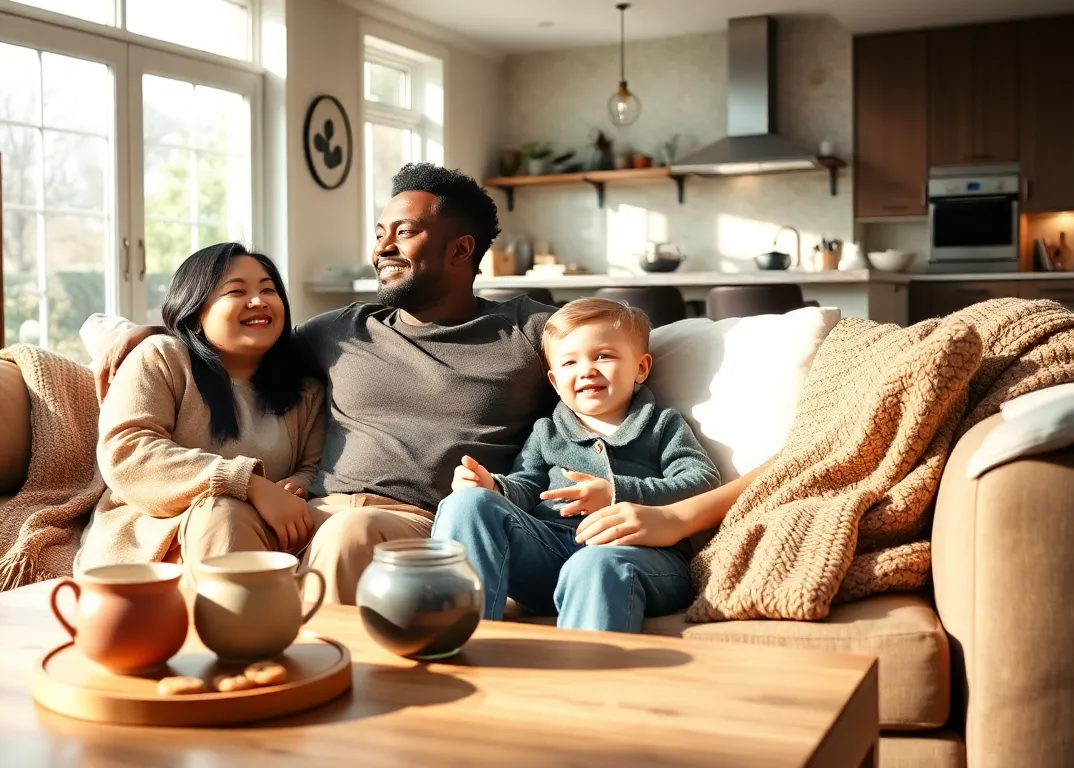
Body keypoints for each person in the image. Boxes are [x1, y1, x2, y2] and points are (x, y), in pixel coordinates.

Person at [94, 164, 558, 604]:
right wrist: (160, 332)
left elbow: (619, 347)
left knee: (348, 533)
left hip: (422, 525)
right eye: (379, 234)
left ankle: (330, 675)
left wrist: (630, 499)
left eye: (404, 232)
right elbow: (245, 340)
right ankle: (230, 660)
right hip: (314, 510)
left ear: (460, 250)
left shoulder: (528, 330)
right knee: (221, 512)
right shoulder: (340, 332)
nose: (383, 248)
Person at [431, 298, 719, 632]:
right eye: (570, 363)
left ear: (641, 368)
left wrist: (617, 494)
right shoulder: (547, 432)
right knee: (466, 504)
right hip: (550, 554)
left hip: (638, 557)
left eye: (603, 356)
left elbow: (703, 481)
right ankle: (455, 641)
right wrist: (494, 488)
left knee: (595, 563)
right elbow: (527, 486)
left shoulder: (661, 425)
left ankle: (585, 676)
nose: (586, 370)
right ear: (554, 381)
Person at [76, 243, 327, 572]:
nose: (259, 300)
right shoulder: (163, 357)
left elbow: (315, 466)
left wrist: (298, 485)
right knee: (225, 513)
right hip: (157, 535)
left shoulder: (306, 389)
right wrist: (249, 485)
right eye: (237, 291)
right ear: (195, 314)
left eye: (269, 289)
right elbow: (128, 453)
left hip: (266, 537)